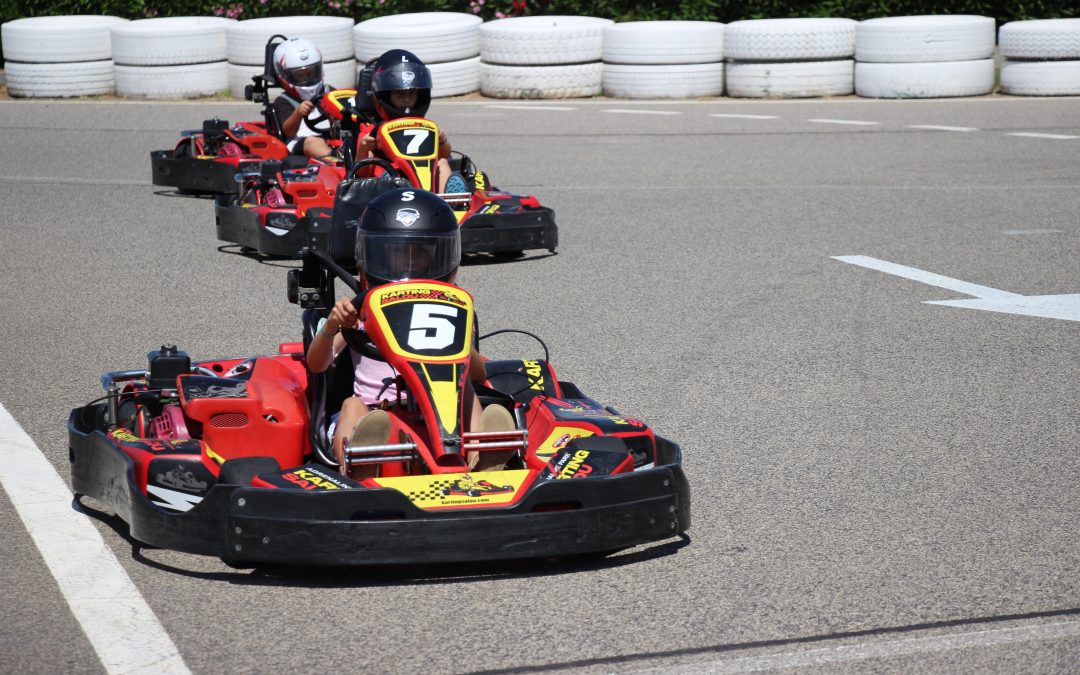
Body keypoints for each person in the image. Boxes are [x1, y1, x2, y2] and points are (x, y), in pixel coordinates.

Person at [306, 188, 513, 479]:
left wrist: (462, 346)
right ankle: (359, 466)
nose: (409, 266)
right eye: (399, 256)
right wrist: (332, 326)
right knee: (352, 406)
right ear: (377, 258)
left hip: (441, 416)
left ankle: (483, 461)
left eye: (419, 257)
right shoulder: (359, 311)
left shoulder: (451, 311)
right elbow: (316, 365)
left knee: (465, 388)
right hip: (375, 413)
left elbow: (479, 376)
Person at [358, 49, 468, 194]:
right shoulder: (371, 131)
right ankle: (390, 187)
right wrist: (364, 149)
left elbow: (445, 154)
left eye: (412, 93)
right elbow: (361, 173)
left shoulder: (424, 126)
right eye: (399, 94)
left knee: (442, 163)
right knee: (384, 169)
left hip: (426, 182)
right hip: (389, 188)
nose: (407, 100)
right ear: (384, 95)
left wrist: (442, 140)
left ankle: (450, 202)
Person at [271, 37, 336, 160]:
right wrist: (298, 113)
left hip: (332, 137)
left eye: (310, 73)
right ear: (285, 75)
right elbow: (288, 132)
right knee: (313, 143)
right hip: (301, 142)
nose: (306, 78)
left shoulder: (329, 92)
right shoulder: (283, 101)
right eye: (300, 75)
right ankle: (335, 160)